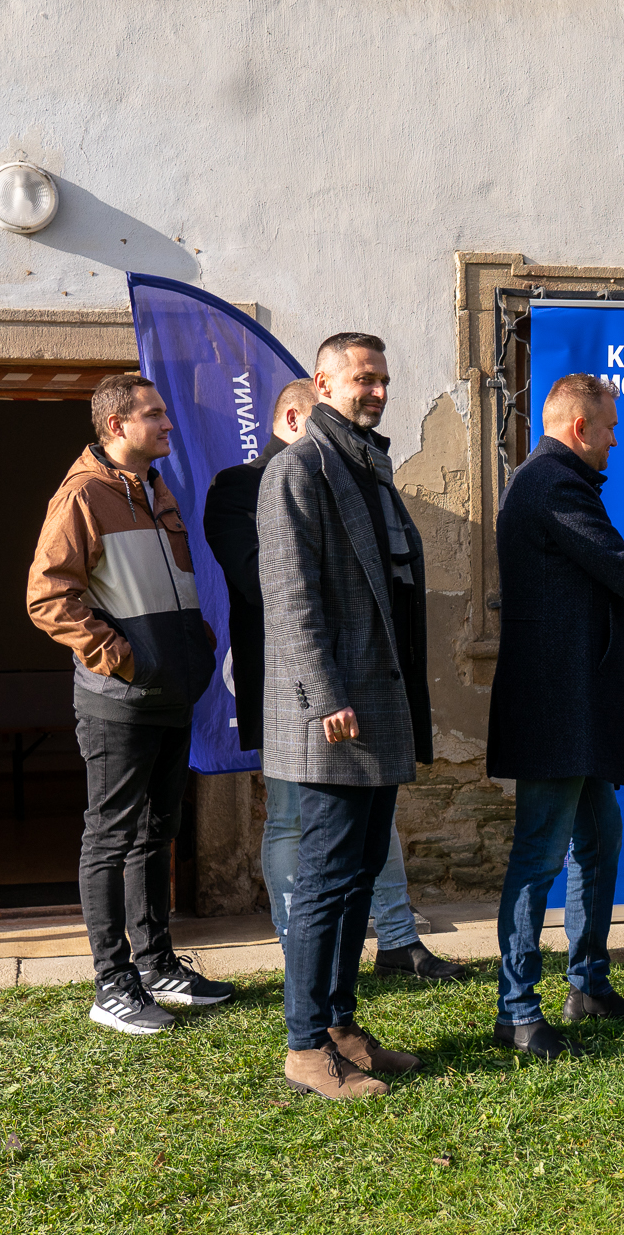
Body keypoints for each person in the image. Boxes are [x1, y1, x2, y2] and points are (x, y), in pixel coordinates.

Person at [203, 378, 463, 984]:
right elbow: (269, 583)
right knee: (293, 816)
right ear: (298, 416)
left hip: (367, 675)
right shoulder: (241, 486)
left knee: (376, 812)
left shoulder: (360, 477)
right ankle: (304, 951)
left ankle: (399, 940)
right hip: (294, 682)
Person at [487, 374, 624, 1060]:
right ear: (580, 427)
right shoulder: (553, 482)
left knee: (600, 838)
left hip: (575, 706)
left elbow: (591, 572)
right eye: (609, 427)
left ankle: (588, 985)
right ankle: (516, 1010)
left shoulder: (555, 482)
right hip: (558, 710)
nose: (616, 438)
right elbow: (617, 572)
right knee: (539, 855)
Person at [28, 373, 233, 1035]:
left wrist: (190, 644)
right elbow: (46, 597)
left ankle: (156, 965)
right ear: (118, 425)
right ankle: (111, 983)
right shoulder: (82, 495)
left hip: (170, 695)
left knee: (156, 835)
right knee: (110, 838)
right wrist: (122, 656)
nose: (169, 425)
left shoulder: (153, 486)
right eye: (155, 415)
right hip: (119, 701)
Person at [260, 332, 435, 1099]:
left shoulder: (369, 464)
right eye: (362, 378)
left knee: (360, 870)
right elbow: (290, 595)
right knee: (328, 878)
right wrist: (325, 695)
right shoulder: (301, 468)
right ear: (324, 384)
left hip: (378, 702)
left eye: (384, 379)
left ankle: (338, 1024)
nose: (377, 390)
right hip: (334, 709)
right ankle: (304, 1047)